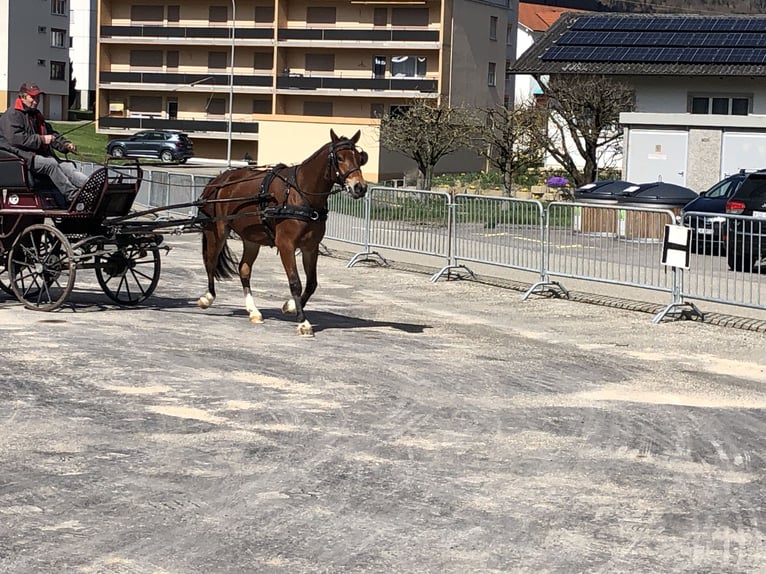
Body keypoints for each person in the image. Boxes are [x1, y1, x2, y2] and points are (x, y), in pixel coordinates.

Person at [0, 82, 89, 202]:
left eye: (38, 98)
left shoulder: (36, 115)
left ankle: (90, 187)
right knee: (50, 164)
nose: (36, 101)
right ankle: (73, 195)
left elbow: (51, 134)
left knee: (67, 166)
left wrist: (65, 145)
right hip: (22, 156)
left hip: (39, 155)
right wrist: (41, 139)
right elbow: (16, 139)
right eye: (33, 97)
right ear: (22, 97)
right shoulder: (12, 115)